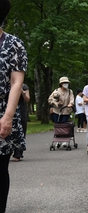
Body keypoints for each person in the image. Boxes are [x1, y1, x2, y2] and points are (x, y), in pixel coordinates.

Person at [0, 1, 28, 212]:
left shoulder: (13, 44)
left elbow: (16, 82)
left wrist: (8, 116)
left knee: (0, 170)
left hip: (3, 112)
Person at [12, 84, 30, 162]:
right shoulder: (5, 85)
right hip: (8, 110)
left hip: (20, 111)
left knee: (20, 131)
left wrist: (22, 92)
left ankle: (18, 153)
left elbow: (27, 99)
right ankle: (6, 152)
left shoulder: (24, 86)